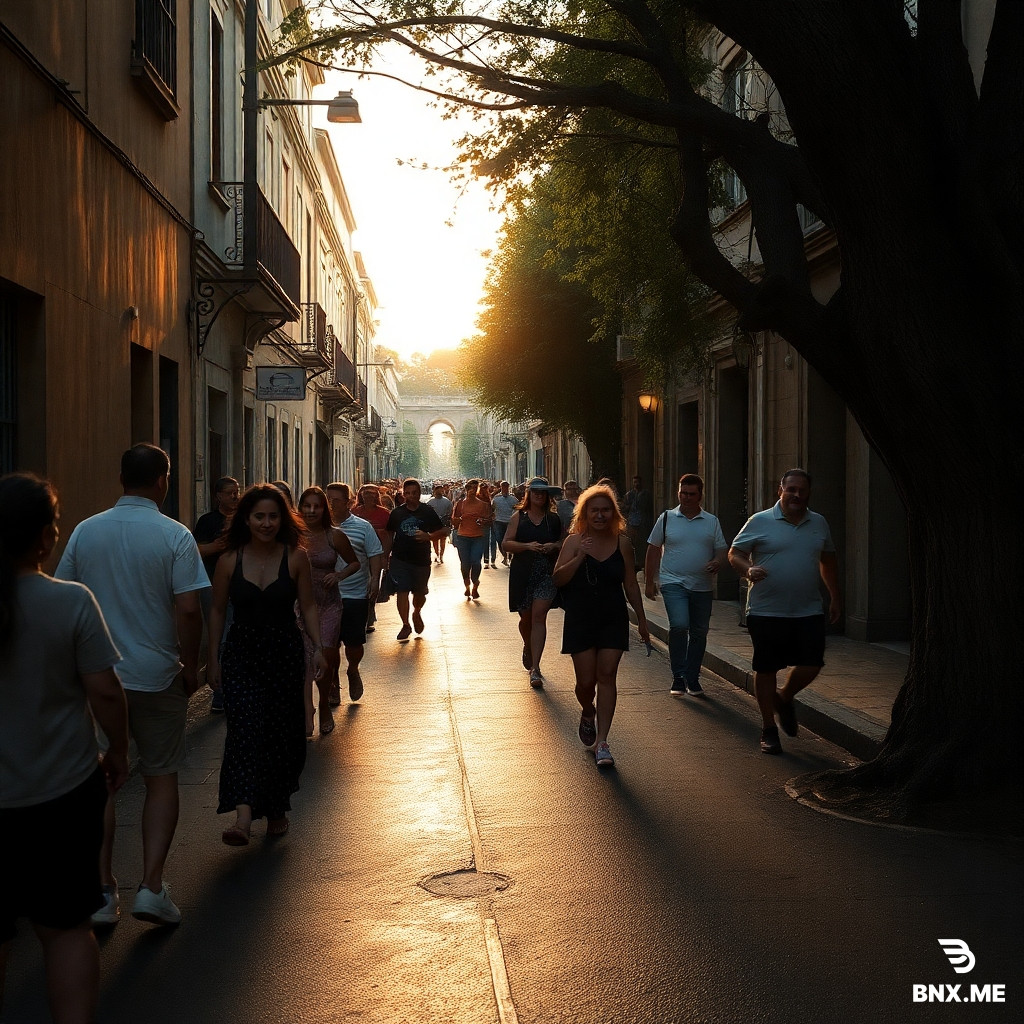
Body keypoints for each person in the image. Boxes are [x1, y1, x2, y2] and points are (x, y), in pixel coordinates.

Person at [56, 444, 207, 928]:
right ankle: (151, 887)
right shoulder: (175, 536)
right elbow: (188, 609)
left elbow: (66, 597)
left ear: (121, 478)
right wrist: (191, 664)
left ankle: (102, 892)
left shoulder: (85, 530)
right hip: (158, 674)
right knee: (160, 775)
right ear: (163, 481)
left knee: (100, 781)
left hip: (99, 678)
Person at [0, 473, 129, 1024]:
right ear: (45, 539)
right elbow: (104, 689)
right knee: (66, 929)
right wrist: (118, 751)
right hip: (61, 791)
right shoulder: (70, 602)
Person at [207, 485, 325, 844]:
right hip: (242, 653)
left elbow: (307, 606)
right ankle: (242, 818)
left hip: (284, 653)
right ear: (246, 518)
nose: (266, 522)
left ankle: (276, 807)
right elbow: (216, 610)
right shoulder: (230, 559)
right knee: (243, 730)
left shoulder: (296, 557)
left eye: (274, 516)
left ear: (283, 518)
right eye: (259, 516)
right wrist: (212, 659)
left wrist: (318, 647)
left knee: (281, 733)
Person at [727, 468, 842, 754]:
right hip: (766, 610)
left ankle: (784, 697)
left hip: (808, 609)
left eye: (802, 490)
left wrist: (835, 596)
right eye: (791, 489)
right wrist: (748, 569)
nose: (796, 495)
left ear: (808, 493)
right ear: (781, 490)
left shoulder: (819, 523)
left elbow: (827, 561)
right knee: (766, 668)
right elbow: (734, 553)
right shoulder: (760, 521)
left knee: (812, 663)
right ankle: (768, 729)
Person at [552, 484, 650, 768]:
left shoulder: (623, 544)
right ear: (584, 513)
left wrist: (642, 621)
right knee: (585, 683)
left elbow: (630, 584)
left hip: (612, 617)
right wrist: (580, 555)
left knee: (607, 675)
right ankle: (587, 709)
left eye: (605, 509)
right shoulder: (573, 541)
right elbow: (558, 579)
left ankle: (603, 742)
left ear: (613, 513)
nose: (600, 515)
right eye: (594, 510)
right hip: (580, 617)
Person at [644, 474, 728, 697]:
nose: (687, 498)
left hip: (702, 586)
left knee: (699, 632)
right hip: (673, 582)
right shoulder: (667, 518)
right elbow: (653, 549)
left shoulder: (711, 521)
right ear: (678, 493)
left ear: (700, 495)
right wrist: (649, 582)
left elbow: (722, 550)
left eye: (692, 494)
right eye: (683, 493)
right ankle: (678, 676)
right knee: (680, 625)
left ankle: (693, 677)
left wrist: (718, 561)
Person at [297, 487, 359, 737]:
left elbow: (354, 562)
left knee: (326, 655)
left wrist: (338, 575)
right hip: (298, 605)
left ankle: (323, 703)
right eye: (307, 506)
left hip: (328, 604)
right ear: (300, 508)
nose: (312, 511)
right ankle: (306, 707)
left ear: (324, 509)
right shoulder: (292, 536)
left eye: (317, 506)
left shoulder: (335, 536)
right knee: (303, 659)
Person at [502, 477, 564, 687]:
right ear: (529, 494)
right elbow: (506, 544)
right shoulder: (518, 517)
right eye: (535, 491)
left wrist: (554, 546)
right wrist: (528, 546)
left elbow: (564, 542)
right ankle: (528, 644)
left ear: (547, 496)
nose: (539, 495)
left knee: (539, 617)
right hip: (523, 573)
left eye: (543, 492)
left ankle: (535, 668)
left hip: (546, 574)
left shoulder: (553, 519)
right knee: (526, 619)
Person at [330, 483, 384, 702]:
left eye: (336, 500)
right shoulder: (317, 528)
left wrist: (374, 581)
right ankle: (333, 682)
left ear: (348, 502)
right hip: (327, 597)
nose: (331, 504)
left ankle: (352, 669)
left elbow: (375, 554)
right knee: (329, 644)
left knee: (353, 643)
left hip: (355, 593)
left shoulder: (362, 527)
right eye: (328, 499)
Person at [193, 476, 240, 713]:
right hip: (212, 584)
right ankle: (221, 693)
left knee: (233, 635)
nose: (235, 496)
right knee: (220, 636)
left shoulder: (245, 519)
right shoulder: (208, 521)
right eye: (230, 492)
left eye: (237, 491)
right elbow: (196, 550)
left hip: (241, 586)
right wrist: (220, 545)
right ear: (218, 496)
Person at [385, 479, 447, 641]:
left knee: (420, 594)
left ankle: (417, 611)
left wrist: (429, 536)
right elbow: (389, 535)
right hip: (399, 559)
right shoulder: (397, 513)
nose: (410, 496)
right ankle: (405, 625)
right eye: (407, 493)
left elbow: (444, 530)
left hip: (421, 560)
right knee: (402, 591)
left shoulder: (427, 511)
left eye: (414, 493)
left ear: (419, 494)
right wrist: (385, 557)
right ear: (403, 494)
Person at [451, 479, 493, 599]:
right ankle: (467, 586)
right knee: (465, 563)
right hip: (463, 537)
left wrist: (482, 521)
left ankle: (475, 584)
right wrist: (459, 519)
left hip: (477, 537)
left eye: (475, 489)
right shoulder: (460, 504)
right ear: (466, 490)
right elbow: (454, 521)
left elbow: (489, 520)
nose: (473, 491)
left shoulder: (483, 505)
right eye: (471, 489)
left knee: (475, 561)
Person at [622, 475, 654, 572]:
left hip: (642, 522)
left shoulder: (646, 494)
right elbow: (625, 508)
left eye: (638, 482)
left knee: (642, 543)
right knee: (632, 543)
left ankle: (642, 562)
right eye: (635, 482)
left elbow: (648, 508)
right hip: (632, 521)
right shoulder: (629, 494)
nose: (636, 484)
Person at [490, 480, 519, 567]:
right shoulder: (496, 499)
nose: (505, 489)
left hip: (509, 522)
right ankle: (505, 556)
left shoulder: (513, 499)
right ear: (501, 488)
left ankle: (509, 558)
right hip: (499, 522)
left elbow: (518, 509)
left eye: (506, 487)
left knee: (510, 540)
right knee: (500, 540)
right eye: (503, 487)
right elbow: (492, 508)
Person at [426, 483, 453, 563]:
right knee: (434, 539)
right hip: (433, 523)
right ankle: (437, 554)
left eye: (441, 490)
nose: (440, 492)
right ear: (434, 491)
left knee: (443, 539)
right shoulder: (430, 502)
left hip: (443, 523)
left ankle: (441, 555)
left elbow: (450, 511)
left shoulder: (447, 501)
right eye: (438, 490)